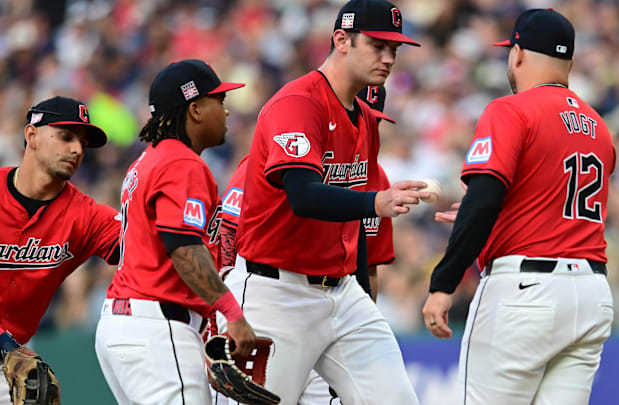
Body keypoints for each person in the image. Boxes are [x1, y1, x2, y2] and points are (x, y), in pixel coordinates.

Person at [230, 0, 427, 403]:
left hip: (341, 295)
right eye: (377, 45)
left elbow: (352, 223)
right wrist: (376, 202)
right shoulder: (297, 103)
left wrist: (362, 302)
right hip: (277, 292)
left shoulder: (366, 117)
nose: (389, 58)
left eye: (395, 49)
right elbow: (304, 196)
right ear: (341, 39)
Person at [422, 9, 616, 405]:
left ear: (518, 54)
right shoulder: (599, 126)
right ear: (570, 64)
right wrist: (500, 213)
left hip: (525, 294)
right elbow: (552, 199)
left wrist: (443, 284)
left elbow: (485, 198)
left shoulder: (510, 109)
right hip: (591, 293)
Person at [211, 86, 396, 405]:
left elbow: (370, 266)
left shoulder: (374, 177)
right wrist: (228, 315)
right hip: (274, 301)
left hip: (335, 308)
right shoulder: (282, 157)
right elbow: (228, 242)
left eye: (373, 121)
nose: (365, 129)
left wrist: (354, 334)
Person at [94, 59, 256, 405]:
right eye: (220, 102)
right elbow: (183, 248)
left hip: (128, 323)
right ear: (195, 109)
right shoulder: (182, 162)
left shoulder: (149, 159)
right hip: (158, 326)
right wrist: (232, 313)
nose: (226, 112)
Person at [0, 96, 120, 404]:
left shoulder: (85, 215)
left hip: (12, 353)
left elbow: (148, 250)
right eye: (66, 137)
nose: (78, 149)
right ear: (31, 135)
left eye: (82, 141)